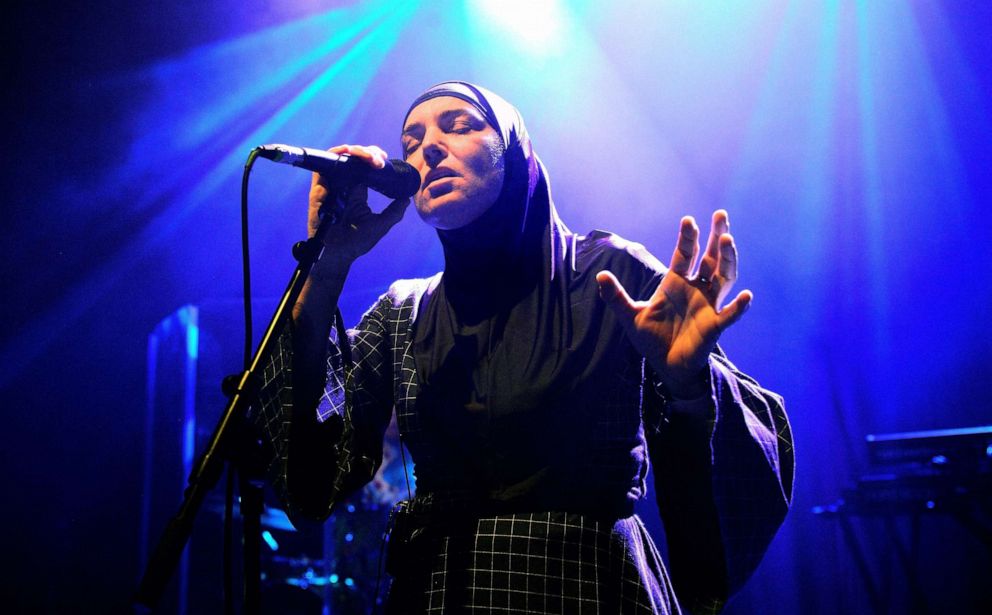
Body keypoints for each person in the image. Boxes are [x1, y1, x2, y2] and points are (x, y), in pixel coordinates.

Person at [255, 81, 793, 614]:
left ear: (516, 151)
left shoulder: (610, 275)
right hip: (441, 589)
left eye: (459, 125)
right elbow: (311, 477)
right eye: (410, 143)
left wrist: (690, 387)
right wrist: (326, 269)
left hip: (589, 587)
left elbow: (742, 472)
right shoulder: (404, 310)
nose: (428, 148)